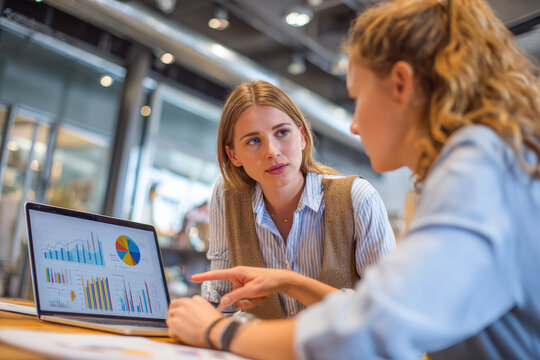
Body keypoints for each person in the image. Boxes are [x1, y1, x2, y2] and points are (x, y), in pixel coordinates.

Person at [166, 0, 540, 358]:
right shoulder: (490, 162)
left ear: (400, 83)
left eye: (357, 96)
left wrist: (219, 332)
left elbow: (377, 326)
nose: (355, 125)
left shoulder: (478, 173)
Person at [201, 80, 396, 319]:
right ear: (233, 155)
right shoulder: (228, 195)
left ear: (302, 136)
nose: (272, 151)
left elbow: (385, 311)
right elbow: (222, 297)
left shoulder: (358, 198)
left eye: (282, 132)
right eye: (253, 140)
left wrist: (288, 283)